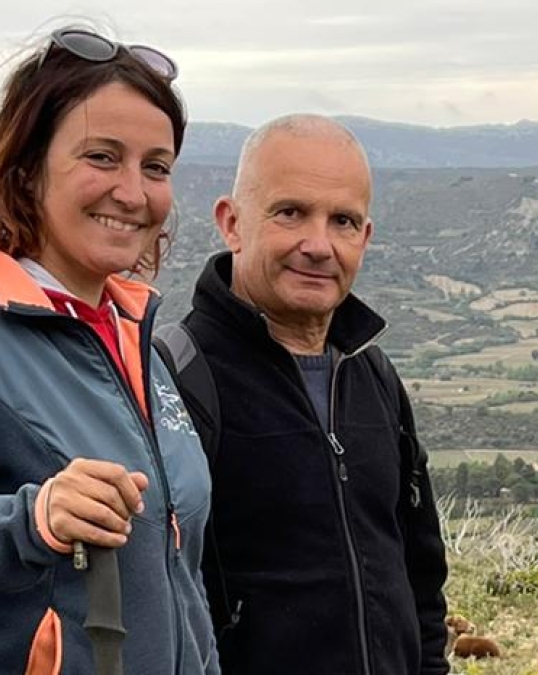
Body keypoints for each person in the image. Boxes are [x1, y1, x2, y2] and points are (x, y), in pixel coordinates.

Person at [169, 114, 449, 675]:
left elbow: (418, 567)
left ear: (364, 238)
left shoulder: (373, 374)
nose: (318, 245)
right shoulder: (179, 378)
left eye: (343, 221)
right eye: (290, 213)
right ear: (232, 222)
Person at [0, 25, 218, 674]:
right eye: (102, 156)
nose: (133, 192)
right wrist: (30, 520)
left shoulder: (135, 337)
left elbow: (181, 571)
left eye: (156, 167)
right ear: (26, 169)